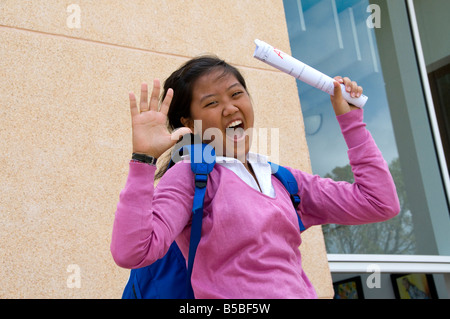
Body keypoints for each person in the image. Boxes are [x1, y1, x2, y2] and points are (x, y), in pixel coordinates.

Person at [110, 55, 400, 298]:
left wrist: (351, 123)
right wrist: (143, 160)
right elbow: (133, 252)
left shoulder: (283, 180)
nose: (230, 108)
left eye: (237, 94)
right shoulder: (191, 176)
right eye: (211, 103)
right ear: (189, 122)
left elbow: (379, 202)